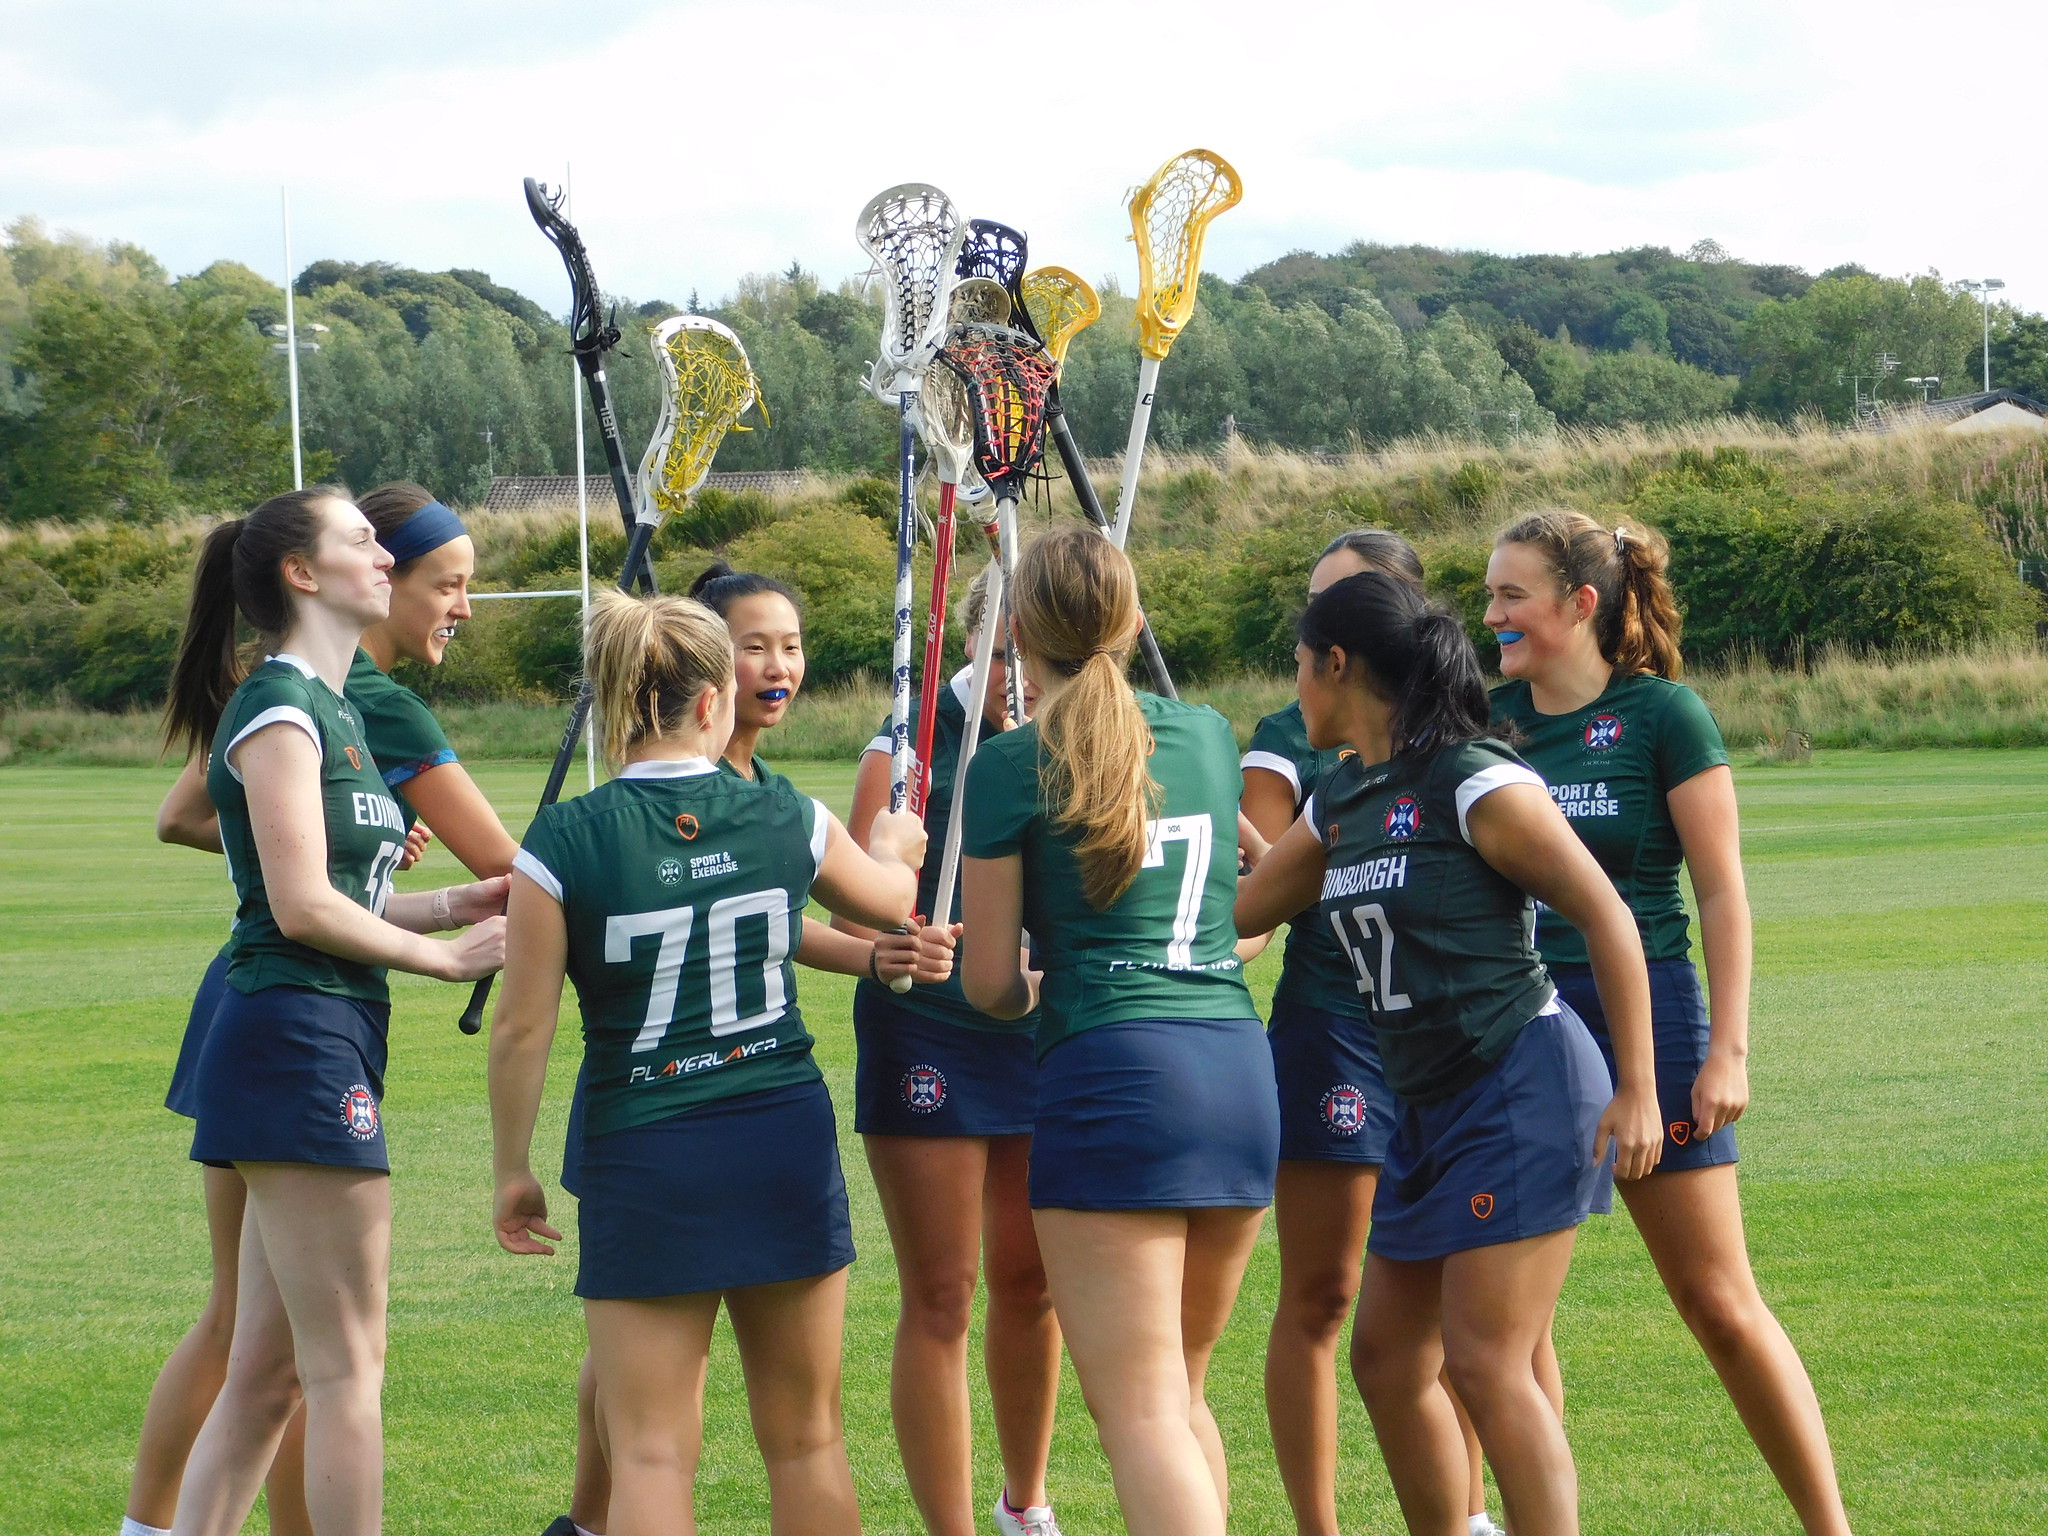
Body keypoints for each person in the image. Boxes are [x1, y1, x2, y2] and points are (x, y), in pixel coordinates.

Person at [488, 589, 928, 1536]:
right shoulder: (786, 814)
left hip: (644, 1146)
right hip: (778, 1137)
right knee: (807, 1439)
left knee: (650, 1450)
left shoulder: (562, 837)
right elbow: (892, 899)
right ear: (711, 700)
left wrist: (512, 1167)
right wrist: (895, 845)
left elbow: (521, 1028)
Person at [1235, 569, 1662, 1536]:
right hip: (1425, 1106)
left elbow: (1606, 915)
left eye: (1299, 667)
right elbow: (1247, 910)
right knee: (1387, 1361)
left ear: (1336, 664)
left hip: (1519, 1082)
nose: (1294, 690)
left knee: (1486, 1364)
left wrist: (1638, 1086)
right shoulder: (1341, 797)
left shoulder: (1473, 779)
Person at [132, 483, 515, 1536]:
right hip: (293, 1034)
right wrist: (444, 961)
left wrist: (456, 903)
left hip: (319, 1027)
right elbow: (299, 908)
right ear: (302, 574)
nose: (384, 559)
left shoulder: (334, 705)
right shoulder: (280, 706)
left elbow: (348, 895)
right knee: (347, 1367)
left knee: (271, 1373)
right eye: (362, 543)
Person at [1486, 511, 1855, 1536]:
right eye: (1488, 595)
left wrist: (1727, 1051)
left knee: (1717, 1304)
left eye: (1511, 595)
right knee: (1507, 1329)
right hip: (1516, 1023)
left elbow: (1722, 892)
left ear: (1579, 603)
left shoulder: (1663, 715)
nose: (1492, 616)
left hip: (1650, 1017)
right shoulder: (1484, 720)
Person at [950, 526, 1277, 1536]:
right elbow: (1249, 897)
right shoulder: (1209, 735)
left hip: (1114, 1078)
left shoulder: (1010, 764)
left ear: (1015, 634)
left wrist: (1046, 986)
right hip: (1234, 1067)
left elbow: (988, 984)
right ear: (1134, 624)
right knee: (1178, 1392)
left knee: (1140, 1412)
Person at [1241, 530, 1527, 1536]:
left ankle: (1475, 1513)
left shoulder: (1459, 744)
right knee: (1329, 1300)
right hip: (1336, 1026)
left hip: (1458, 1047)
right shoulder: (1295, 735)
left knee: (1490, 1328)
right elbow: (1253, 903)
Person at [836, 562, 1063, 1536]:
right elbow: (852, 915)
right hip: (929, 1031)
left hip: (1041, 1030)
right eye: (1004, 653)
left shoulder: (1073, 732)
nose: (1021, 678)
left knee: (1032, 1282)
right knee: (942, 1293)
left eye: (1037, 657)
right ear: (970, 640)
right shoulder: (909, 743)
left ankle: (1026, 1506)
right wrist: (898, 938)